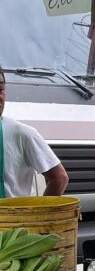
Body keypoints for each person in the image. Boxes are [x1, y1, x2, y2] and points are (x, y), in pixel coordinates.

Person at [0, 67, 68, 197]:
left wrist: (40, 214)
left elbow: (59, 178)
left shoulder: (21, 133)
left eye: (0, 89)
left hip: (13, 217)